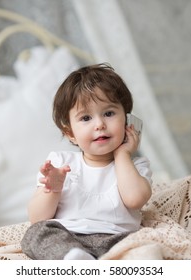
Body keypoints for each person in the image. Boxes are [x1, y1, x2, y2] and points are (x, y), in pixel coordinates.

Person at [21, 63, 153, 260]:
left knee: (146, 244)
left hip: (118, 239)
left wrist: (123, 154)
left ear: (128, 121)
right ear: (70, 133)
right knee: (36, 233)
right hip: (68, 237)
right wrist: (53, 189)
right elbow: (37, 218)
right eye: (86, 118)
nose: (99, 124)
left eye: (109, 113)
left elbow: (135, 199)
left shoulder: (135, 166)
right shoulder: (59, 163)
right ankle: (76, 260)